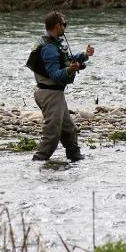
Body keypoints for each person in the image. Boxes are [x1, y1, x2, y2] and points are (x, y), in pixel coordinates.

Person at [25, 12, 95, 162]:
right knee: (52, 133)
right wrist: (70, 69)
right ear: (58, 25)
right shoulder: (49, 48)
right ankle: (38, 162)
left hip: (55, 94)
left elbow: (67, 60)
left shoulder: (54, 43)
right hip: (49, 94)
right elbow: (55, 75)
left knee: (69, 130)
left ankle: (75, 157)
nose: (65, 27)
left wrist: (84, 55)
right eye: (65, 24)